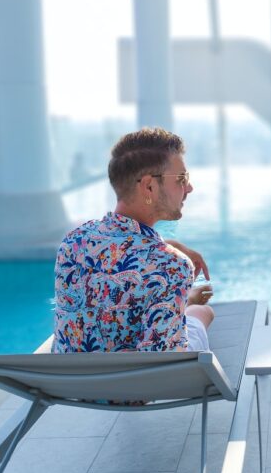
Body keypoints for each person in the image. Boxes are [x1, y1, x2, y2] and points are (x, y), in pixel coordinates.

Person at [52, 127, 215, 354]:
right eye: (181, 178)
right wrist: (188, 304)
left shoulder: (73, 242)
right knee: (202, 313)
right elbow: (164, 365)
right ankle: (189, 305)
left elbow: (119, 255)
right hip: (132, 385)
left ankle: (183, 304)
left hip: (69, 383)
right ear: (149, 186)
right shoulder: (171, 266)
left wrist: (169, 246)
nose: (189, 187)